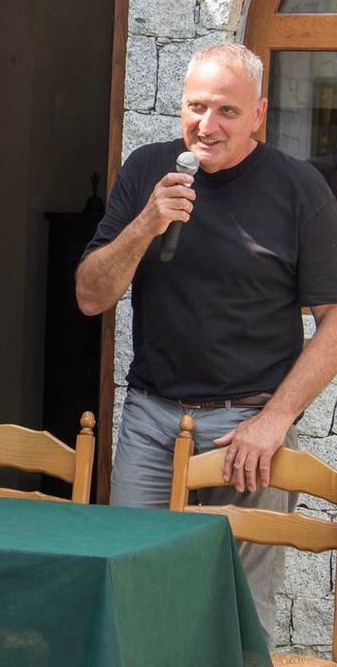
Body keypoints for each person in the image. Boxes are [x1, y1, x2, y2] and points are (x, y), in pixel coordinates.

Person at [76, 43, 337, 645]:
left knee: (239, 608)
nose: (206, 124)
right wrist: (147, 223)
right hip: (152, 422)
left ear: (258, 115)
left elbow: (333, 321)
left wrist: (275, 420)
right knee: (132, 590)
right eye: (196, 106)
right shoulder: (148, 169)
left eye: (226, 110)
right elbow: (90, 296)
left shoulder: (299, 189)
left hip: (250, 429)